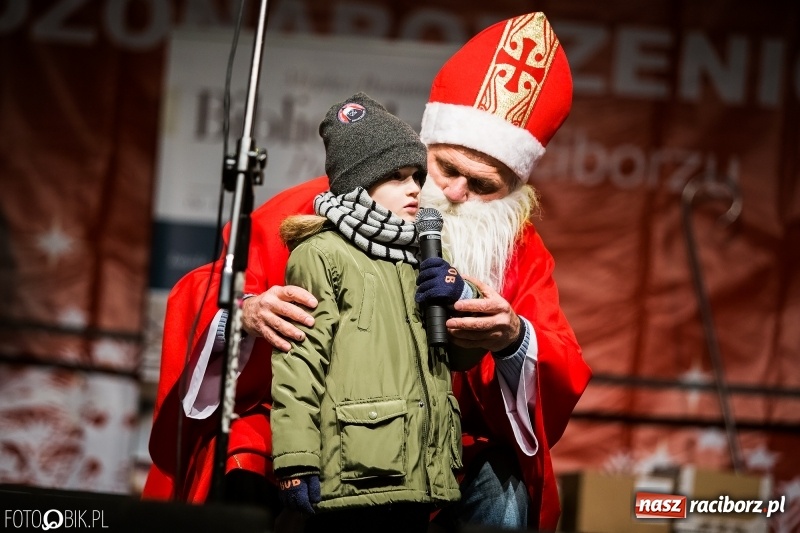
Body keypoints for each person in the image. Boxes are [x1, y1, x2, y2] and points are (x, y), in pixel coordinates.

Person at [144, 11, 592, 532]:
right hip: (322, 424)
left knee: (507, 487)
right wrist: (248, 312)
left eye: (483, 185)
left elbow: (559, 360)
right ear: (422, 150)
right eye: (445, 169)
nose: (453, 194)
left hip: (443, 443)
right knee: (248, 451)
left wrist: (512, 338)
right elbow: (205, 293)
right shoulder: (311, 210)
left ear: (514, 188)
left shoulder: (522, 251)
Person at [272, 92, 476, 532]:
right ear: (360, 182)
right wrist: (295, 460)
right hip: (354, 474)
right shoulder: (322, 254)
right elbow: (298, 365)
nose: (414, 188)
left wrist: (461, 297)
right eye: (397, 176)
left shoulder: (421, 256)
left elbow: (458, 359)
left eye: (417, 175)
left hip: (420, 476)